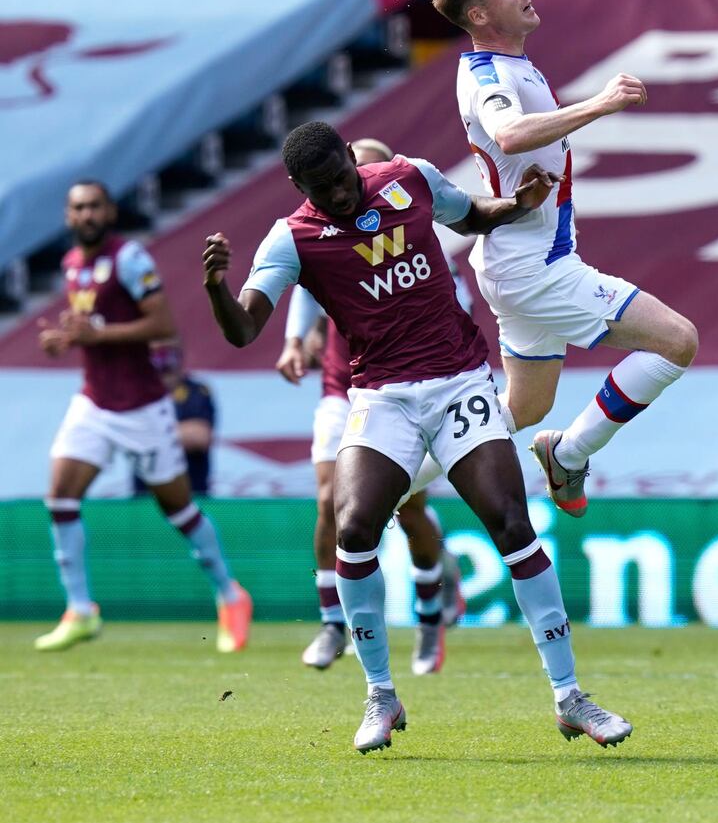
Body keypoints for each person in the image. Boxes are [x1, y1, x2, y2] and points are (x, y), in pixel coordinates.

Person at [203, 120, 632, 754]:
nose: (340, 196)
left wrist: (516, 205)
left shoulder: (409, 177)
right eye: (321, 189)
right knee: (352, 528)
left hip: (459, 383)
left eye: (343, 179)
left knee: (512, 523)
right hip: (382, 398)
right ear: (298, 186)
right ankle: (381, 694)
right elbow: (243, 330)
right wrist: (217, 288)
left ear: (354, 158)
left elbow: (471, 216)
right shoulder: (290, 239)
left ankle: (570, 697)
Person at [431, 0, 698, 517]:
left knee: (522, 411)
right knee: (677, 341)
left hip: (515, 261)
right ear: (478, 15)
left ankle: (394, 480)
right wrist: (600, 103)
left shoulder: (510, 65)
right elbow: (508, 133)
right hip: (536, 270)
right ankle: (569, 456)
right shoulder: (490, 74)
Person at [35, 180, 251, 653]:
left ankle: (231, 596)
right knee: (60, 498)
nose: (87, 214)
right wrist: (66, 340)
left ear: (109, 211)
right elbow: (91, 331)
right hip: (93, 402)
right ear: (69, 217)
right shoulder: (73, 264)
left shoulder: (130, 258)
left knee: (178, 509)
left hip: (143, 407)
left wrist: (96, 333)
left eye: (94, 206)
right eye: (78, 208)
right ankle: (81, 610)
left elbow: (163, 328)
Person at [276, 137, 465, 676]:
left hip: (407, 391)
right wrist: (296, 341)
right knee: (328, 500)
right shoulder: (319, 237)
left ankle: (430, 617)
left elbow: (454, 305)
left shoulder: (412, 235)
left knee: (408, 508)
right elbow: (306, 289)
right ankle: (333, 622)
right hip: (343, 388)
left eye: (362, 168)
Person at [134, 336, 216, 497]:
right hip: (144, 499)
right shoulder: (136, 393)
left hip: (192, 494)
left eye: (168, 353)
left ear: (180, 355)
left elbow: (198, 437)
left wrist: (146, 433)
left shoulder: (197, 391)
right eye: (156, 354)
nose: (163, 361)